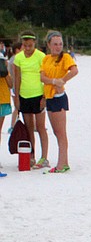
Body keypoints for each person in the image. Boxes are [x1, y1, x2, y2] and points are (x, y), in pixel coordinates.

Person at [40, 31, 78, 173]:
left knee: (61, 132)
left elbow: (74, 71)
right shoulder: (46, 59)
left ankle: (62, 164)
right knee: (56, 132)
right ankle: (64, 162)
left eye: (60, 44)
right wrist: (53, 81)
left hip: (58, 96)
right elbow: (42, 77)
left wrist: (62, 80)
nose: (58, 47)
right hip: (49, 96)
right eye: (55, 44)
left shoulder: (65, 57)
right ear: (49, 45)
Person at [12, 32, 50, 168]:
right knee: (29, 128)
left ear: (34, 43)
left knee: (40, 127)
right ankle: (31, 156)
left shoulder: (41, 56)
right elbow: (17, 78)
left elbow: (46, 76)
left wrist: (45, 97)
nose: (28, 48)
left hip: (38, 94)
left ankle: (44, 157)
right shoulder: (18, 58)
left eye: (30, 45)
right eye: (25, 45)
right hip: (24, 95)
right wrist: (16, 98)